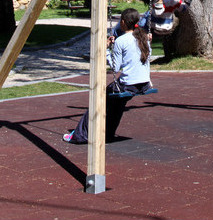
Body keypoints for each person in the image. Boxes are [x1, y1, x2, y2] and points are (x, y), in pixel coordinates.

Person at [64, 8, 153, 144]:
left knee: (97, 99)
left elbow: (115, 67)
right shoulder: (143, 38)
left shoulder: (121, 41)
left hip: (129, 84)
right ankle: (108, 133)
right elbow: (147, 56)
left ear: (122, 22)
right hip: (144, 84)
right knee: (117, 103)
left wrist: (106, 49)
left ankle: (79, 136)